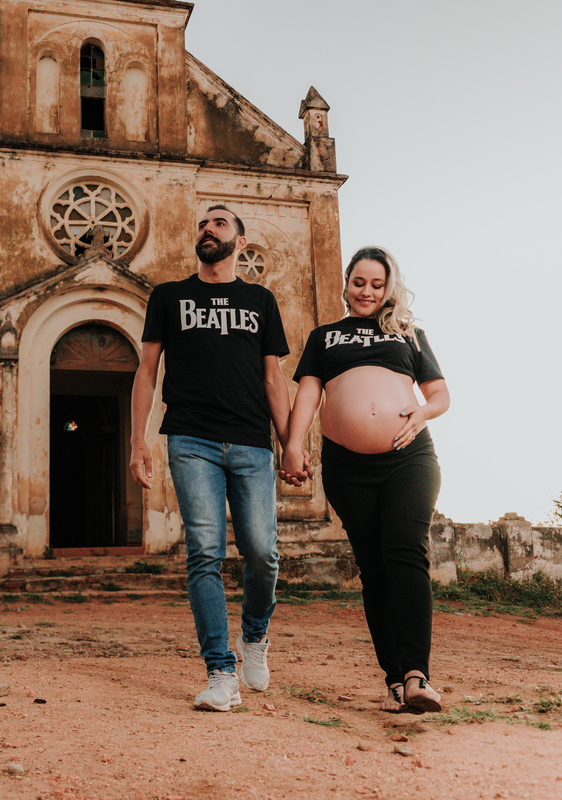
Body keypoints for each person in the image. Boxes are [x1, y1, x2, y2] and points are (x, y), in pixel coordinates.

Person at [130, 205, 291, 711]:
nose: (208, 228)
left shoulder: (260, 300)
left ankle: (255, 638)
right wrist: (138, 440)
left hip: (250, 441)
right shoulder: (169, 297)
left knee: (262, 552)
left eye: (220, 224)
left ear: (239, 242)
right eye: (203, 223)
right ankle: (221, 672)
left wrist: (291, 443)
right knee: (204, 552)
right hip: (190, 439)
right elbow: (147, 370)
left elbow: (273, 379)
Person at [281, 246, 450, 713]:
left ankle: (418, 675)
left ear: (388, 287)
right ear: (347, 282)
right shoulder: (324, 336)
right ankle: (395, 680)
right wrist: (293, 445)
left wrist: (423, 411)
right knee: (374, 570)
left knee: (405, 554)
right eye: (360, 282)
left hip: (408, 458)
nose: (367, 292)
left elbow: (439, 395)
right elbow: (310, 393)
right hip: (347, 468)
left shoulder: (409, 335)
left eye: (377, 284)